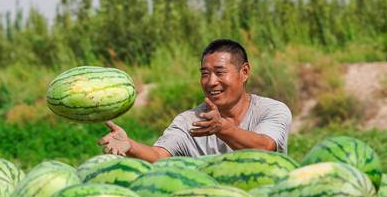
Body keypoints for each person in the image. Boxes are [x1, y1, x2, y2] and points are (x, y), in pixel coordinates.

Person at [99, 39, 291, 161]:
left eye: (220, 72)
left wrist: (222, 128)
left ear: (244, 72)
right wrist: (130, 145)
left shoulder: (272, 110)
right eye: (205, 74)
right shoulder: (188, 121)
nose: (211, 82)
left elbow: (264, 148)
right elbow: (159, 156)